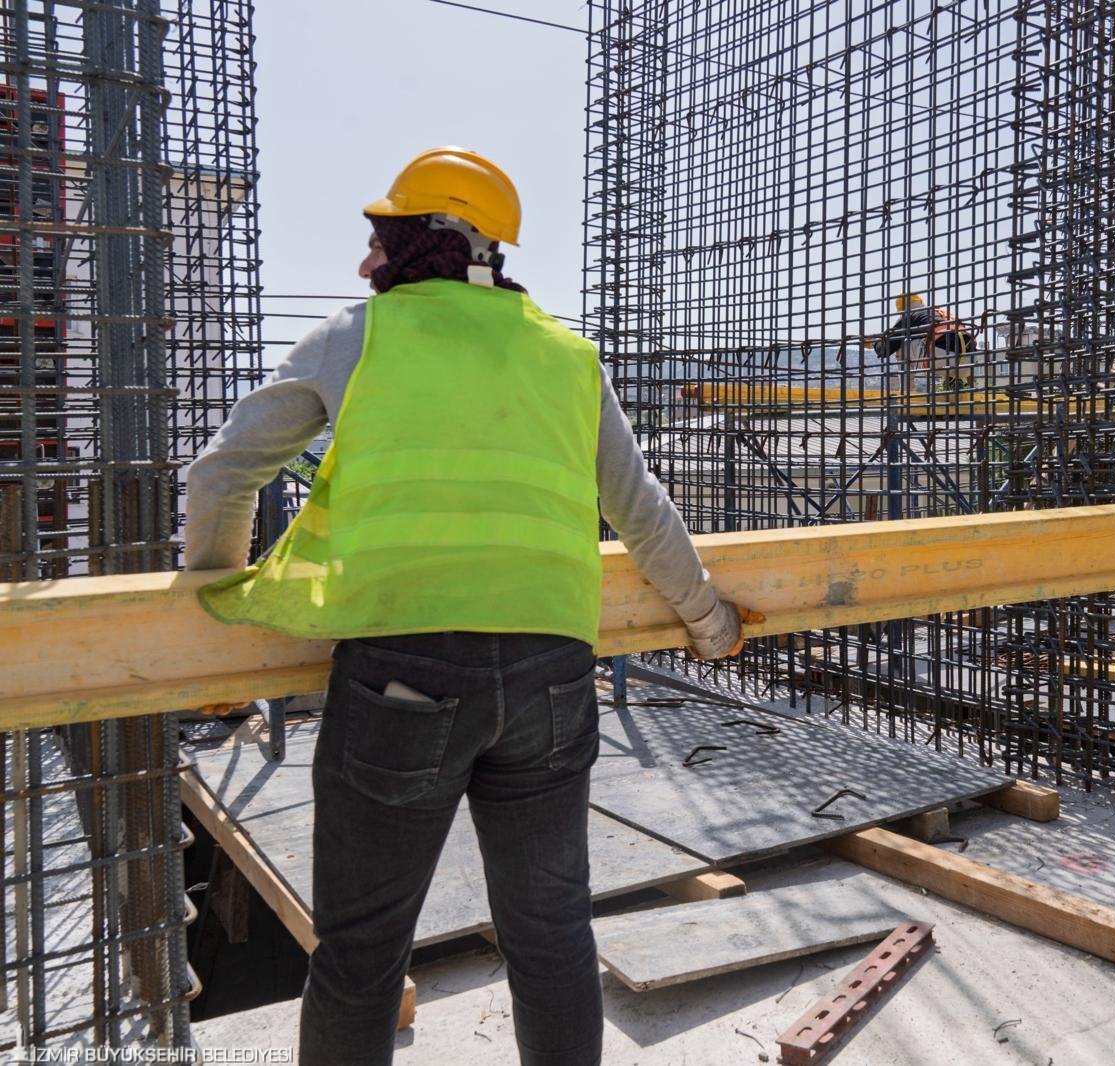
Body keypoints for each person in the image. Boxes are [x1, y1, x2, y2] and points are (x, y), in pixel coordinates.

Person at [184, 146, 757, 1065]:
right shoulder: (567, 355)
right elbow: (640, 508)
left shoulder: (357, 336)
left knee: (362, 953)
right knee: (552, 933)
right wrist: (710, 622)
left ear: (434, 240)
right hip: (551, 679)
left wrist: (205, 609)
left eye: (382, 241)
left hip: (401, 680)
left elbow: (221, 475)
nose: (366, 263)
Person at [872, 292, 976, 389]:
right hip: (968, 363)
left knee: (901, 347)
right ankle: (956, 381)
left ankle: (907, 392)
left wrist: (874, 342)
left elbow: (886, 348)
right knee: (942, 341)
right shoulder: (942, 313)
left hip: (941, 358)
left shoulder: (910, 314)